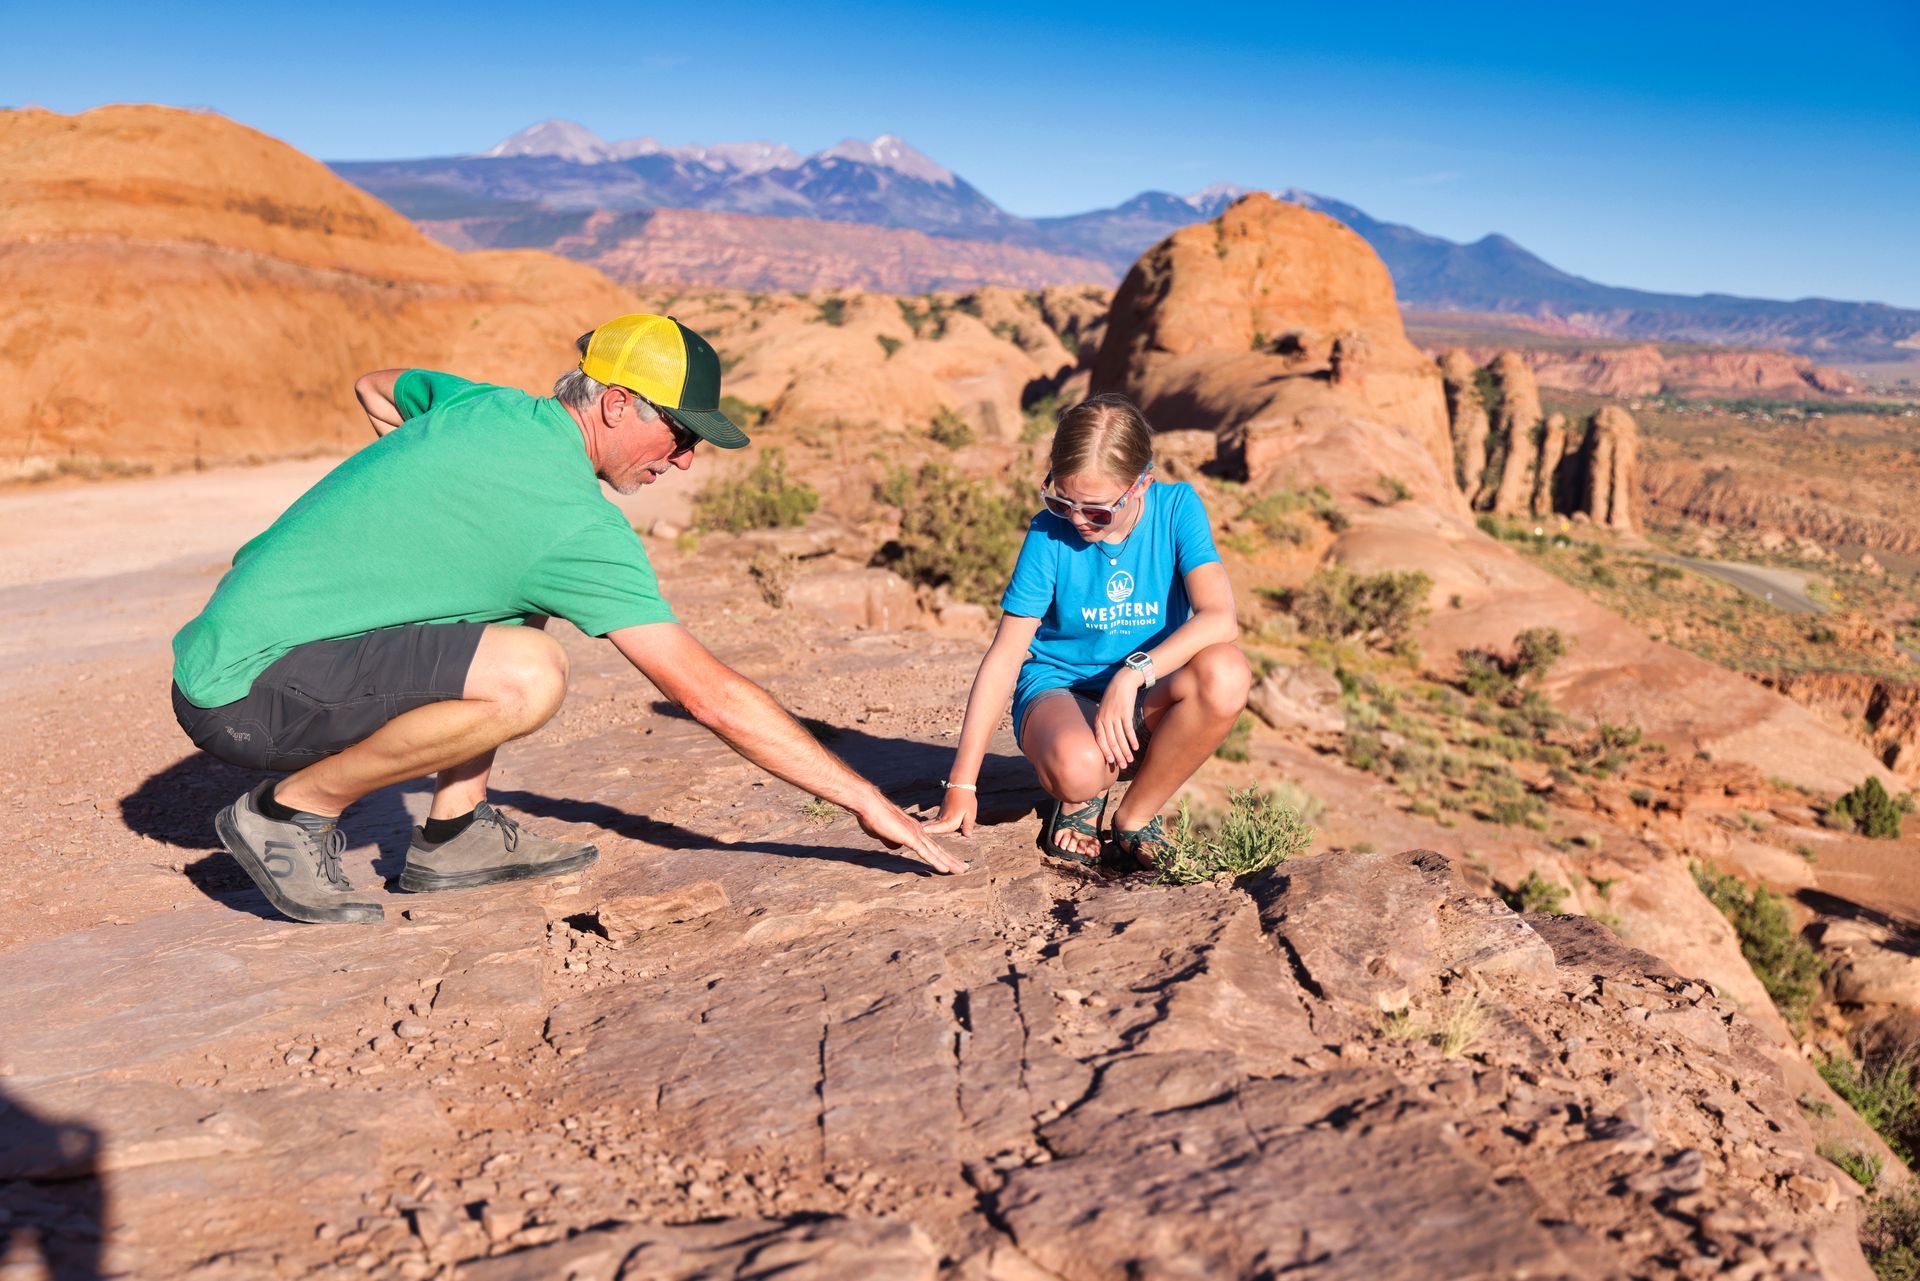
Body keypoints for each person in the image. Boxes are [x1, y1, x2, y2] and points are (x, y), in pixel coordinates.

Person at [170, 313, 965, 925]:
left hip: (238, 649)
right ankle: (290, 811)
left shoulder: (488, 407)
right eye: (681, 434)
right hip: (241, 695)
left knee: (515, 603)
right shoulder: (573, 524)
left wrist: (429, 503)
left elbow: (377, 385)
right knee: (529, 674)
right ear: (617, 404)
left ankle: (453, 832)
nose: (685, 459)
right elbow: (706, 694)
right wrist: (865, 800)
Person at [929, 394, 1250, 869]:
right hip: (1061, 690)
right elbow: (1004, 657)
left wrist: (1133, 673)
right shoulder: (1047, 534)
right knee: (1079, 772)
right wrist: (962, 784)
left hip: (1146, 692)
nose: (1077, 521)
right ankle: (1081, 800)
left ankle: (1136, 816)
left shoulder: (1178, 508)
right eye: (1061, 502)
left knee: (1227, 672)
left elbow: (1221, 617)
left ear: (1140, 484)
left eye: (1097, 511)